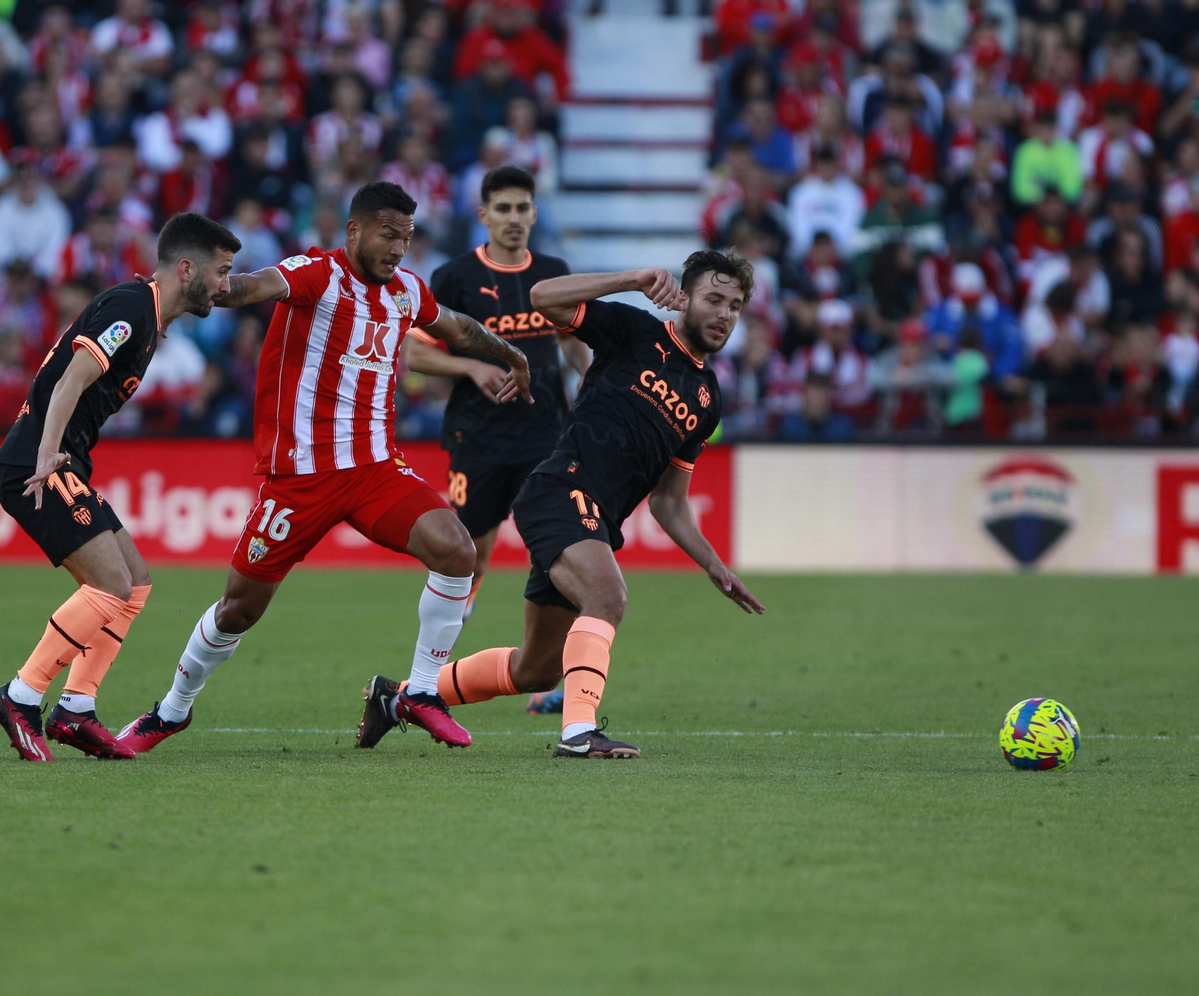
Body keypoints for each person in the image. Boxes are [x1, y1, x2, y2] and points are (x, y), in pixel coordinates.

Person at [119, 181, 533, 754]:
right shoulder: (317, 273)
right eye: (389, 235)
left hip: (374, 470)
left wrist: (511, 354)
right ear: (355, 231)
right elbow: (254, 286)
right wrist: (204, 287)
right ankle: (171, 711)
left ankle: (420, 693)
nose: (398, 249)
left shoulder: (408, 292)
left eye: (407, 238)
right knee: (239, 608)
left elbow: (457, 327)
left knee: (458, 551)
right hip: (299, 478)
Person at [361, 252, 765, 759]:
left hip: (592, 518)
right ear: (683, 298)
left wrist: (714, 566)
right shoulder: (636, 330)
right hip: (560, 490)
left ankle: (396, 699)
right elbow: (542, 298)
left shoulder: (708, 399)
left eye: (735, 305)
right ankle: (578, 733)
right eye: (714, 299)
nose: (724, 313)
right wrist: (630, 280)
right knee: (608, 597)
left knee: (536, 669)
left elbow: (669, 503)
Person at [0, 212, 242, 763]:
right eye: (221, 272)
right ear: (185, 268)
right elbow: (73, 376)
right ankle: (21, 697)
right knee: (109, 585)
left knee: (135, 582)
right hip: (40, 462)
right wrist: (50, 454)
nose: (226, 286)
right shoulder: (130, 308)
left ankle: (76, 709)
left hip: (62, 461)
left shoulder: (150, 322)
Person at [402, 164, 586, 642]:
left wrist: (594, 382)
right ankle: (438, 657)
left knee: (556, 547)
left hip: (546, 432)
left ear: (534, 213)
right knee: (471, 553)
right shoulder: (455, 277)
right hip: (478, 435)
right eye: (503, 208)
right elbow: (412, 350)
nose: (513, 217)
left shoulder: (552, 274)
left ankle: (553, 665)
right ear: (484, 214)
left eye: (522, 207)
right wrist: (472, 366)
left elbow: (570, 343)